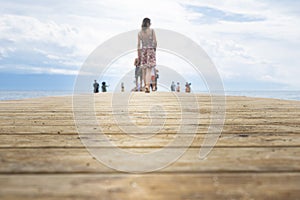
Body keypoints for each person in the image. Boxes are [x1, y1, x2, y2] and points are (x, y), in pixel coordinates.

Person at [137, 18, 157, 93]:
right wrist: (154, 49)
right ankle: (147, 86)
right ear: (148, 23)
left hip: (143, 51)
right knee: (149, 70)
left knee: (144, 70)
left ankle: (146, 85)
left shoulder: (139, 33)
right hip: (150, 50)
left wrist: (139, 55)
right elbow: (155, 42)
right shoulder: (152, 31)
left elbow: (138, 45)